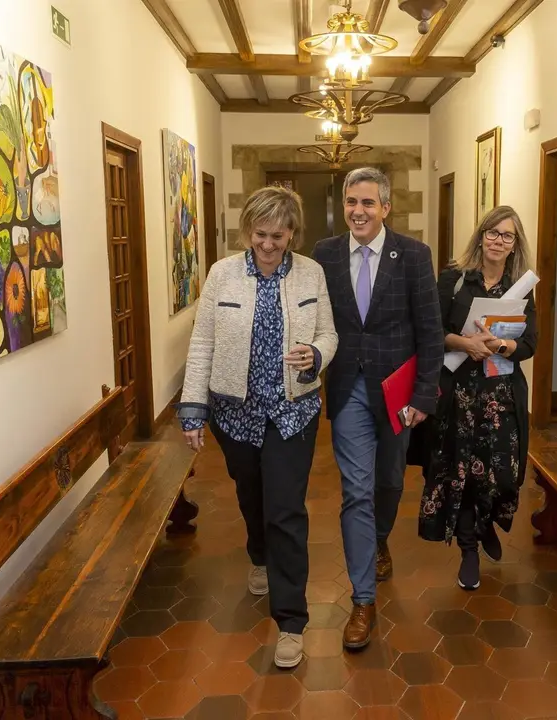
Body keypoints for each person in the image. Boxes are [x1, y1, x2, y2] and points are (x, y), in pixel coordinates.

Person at [177, 186, 337, 669]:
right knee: (251, 495)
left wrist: (316, 357)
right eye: (261, 234)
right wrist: (192, 406)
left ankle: (291, 621)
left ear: (293, 233)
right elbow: (203, 338)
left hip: (293, 412)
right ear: (248, 231)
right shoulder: (223, 274)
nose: (269, 244)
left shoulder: (311, 272)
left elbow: (328, 333)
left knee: (286, 509)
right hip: (236, 414)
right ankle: (258, 554)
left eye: (279, 235)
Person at [312, 167, 442, 650]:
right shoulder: (323, 255)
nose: (358, 212)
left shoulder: (412, 255)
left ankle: (380, 537)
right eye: (351, 202)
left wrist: (423, 396)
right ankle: (363, 600)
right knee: (357, 491)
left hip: (397, 394)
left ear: (386, 207)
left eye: (368, 203)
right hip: (348, 390)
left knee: (389, 480)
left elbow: (430, 331)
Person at [417, 206, 537, 590]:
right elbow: (432, 330)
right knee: (462, 475)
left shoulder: (521, 286)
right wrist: (466, 343)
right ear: (480, 234)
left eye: (507, 236)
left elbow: (529, 344)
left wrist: (500, 343)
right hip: (459, 395)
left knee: (504, 475)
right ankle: (469, 548)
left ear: (515, 244)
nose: (498, 241)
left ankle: (486, 525)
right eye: (492, 232)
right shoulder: (454, 277)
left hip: (501, 397)